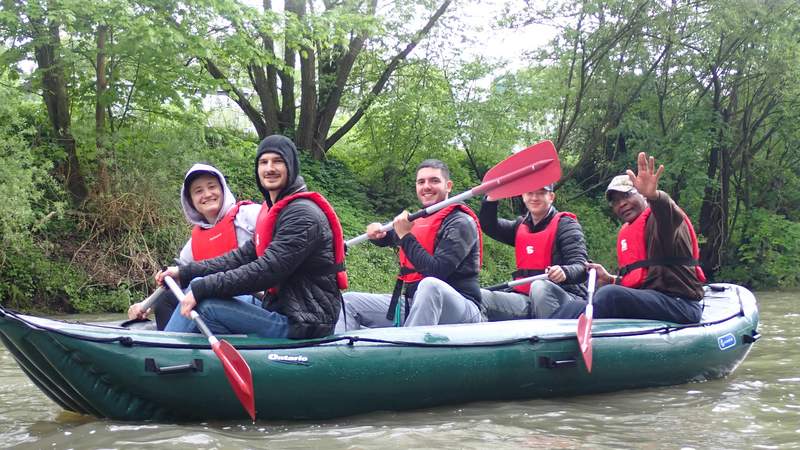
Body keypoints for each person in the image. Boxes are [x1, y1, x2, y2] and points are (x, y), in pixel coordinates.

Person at [156, 135, 347, 338]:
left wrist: (203, 287)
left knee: (207, 305)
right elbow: (241, 257)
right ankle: (192, 363)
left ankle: (156, 358)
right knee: (204, 303)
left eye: (278, 161)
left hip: (304, 323)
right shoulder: (275, 212)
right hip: (283, 309)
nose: (269, 168)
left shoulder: (302, 215)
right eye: (264, 162)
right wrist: (185, 272)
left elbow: (267, 270)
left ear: (291, 166)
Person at [551, 152, 706, 324]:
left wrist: (654, 196)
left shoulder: (663, 220)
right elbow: (646, 281)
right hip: (653, 301)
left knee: (609, 295)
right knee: (571, 306)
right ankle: (544, 340)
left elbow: (667, 210)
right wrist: (611, 279)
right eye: (615, 201)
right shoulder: (629, 231)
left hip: (680, 304)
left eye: (626, 195)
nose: (621, 204)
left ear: (642, 195)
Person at [336, 159, 484, 331]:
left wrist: (405, 235)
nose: (426, 186)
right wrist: (377, 233)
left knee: (430, 285)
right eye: (421, 182)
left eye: (434, 181)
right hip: (413, 303)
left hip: (461, 308)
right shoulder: (419, 219)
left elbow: (436, 271)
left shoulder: (460, 222)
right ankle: (338, 354)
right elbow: (389, 237)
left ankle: (407, 354)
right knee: (349, 302)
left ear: (448, 186)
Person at [127, 163, 260, 330]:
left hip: (254, 301)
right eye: (198, 191)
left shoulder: (250, 214)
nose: (207, 194)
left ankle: (168, 350)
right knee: (166, 299)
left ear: (223, 189)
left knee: (199, 288)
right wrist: (145, 305)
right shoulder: (191, 247)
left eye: (212, 187)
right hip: (215, 301)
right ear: (190, 201)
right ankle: (176, 348)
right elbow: (174, 283)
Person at [479, 184, 588, 320]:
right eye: (530, 193)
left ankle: (549, 339)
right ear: (523, 196)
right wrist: (491, 199)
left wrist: (564, 271)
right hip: (526, 298)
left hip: (563, 298)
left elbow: (582, 268)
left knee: (539, 287)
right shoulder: (520, 225)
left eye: (541, 193)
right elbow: (490, 226)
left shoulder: (567, 225)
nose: (535, 198)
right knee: (481, 297)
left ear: (551, 197)